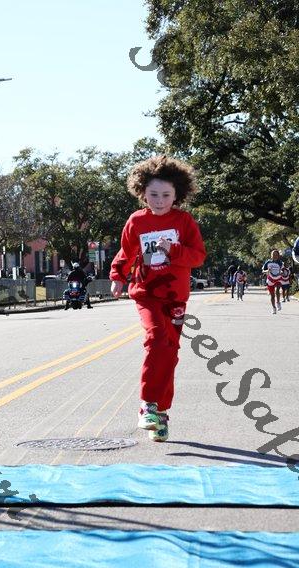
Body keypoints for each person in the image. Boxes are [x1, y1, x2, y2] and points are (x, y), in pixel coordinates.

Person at [110, 154, 206, 442]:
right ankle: (148, 406)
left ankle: (161, 413)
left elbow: (198, 256)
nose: (160, 200)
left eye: (166, 195)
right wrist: (117, 275)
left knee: (169, 352)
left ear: (177, 194)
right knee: (156, 339)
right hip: (147, 293)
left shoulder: (184, 221)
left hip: (175, 298)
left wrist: (173, 250)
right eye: (153, 194)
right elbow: (126, 252)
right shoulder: (137, 221)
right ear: (142, 193)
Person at [262, 249, 283, 314]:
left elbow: (282, 270)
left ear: (278, 256)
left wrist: (281, 272)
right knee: (272, 295)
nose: (275, 256)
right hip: (270, 279)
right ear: (271, 255)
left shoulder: (280, 262)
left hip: (278, 278)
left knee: (277, 290)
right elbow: (263, 270)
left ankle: (278, 302)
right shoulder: (268, 262)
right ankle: (274, 308)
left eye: (276, 255)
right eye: (273, 255)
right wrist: (267, 271)